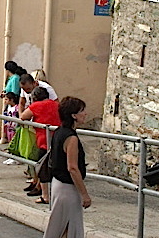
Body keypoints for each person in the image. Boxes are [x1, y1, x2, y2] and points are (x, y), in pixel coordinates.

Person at [43, 96, 90, 238]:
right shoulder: (71, 138)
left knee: (62, 226)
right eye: (82, 111)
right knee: (67, 227)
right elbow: (72, 168)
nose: (85, 114)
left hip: (58, 184)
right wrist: (84, 194)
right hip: (68, 189)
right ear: (74, 115)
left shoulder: (58, 132)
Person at [21, 87, 61, 204]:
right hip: (57, 140)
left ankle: (45, 196)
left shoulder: (36, 106)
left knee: (43, 169)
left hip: (44, 140)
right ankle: (48, 192)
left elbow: (23, 116)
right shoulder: (56, 105)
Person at [2, 92, 20, 161]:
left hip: (15, 127)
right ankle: (11, 156)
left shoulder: (17, 108)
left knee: (14, 141)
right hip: (9, 127)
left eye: (6, 99)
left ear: (11, 100)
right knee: (10, 141)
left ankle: (15, 157)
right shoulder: (8, 108)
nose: (5, 101)